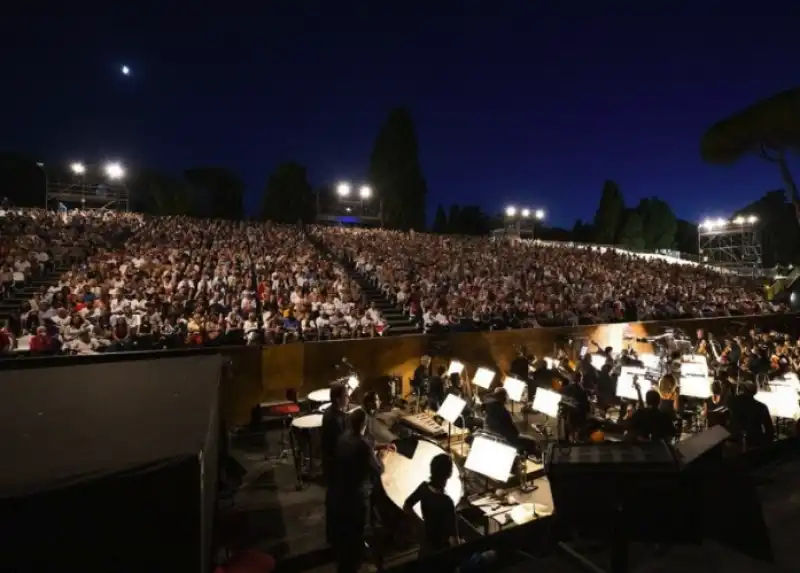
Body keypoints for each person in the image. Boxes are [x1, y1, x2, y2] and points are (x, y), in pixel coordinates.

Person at [327, 408, 386, 573]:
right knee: (359, 531)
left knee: (348, 531)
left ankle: (346, 561)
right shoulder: (363, 445)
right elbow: (378, 469)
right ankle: (356, 564)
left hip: (342, 492)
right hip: (358, 496)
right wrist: (380, 456)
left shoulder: (343, 438)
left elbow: (363, 448)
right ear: (363, 425)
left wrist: (379, 445)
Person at [403, 453, 460, 556]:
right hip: (441, 551)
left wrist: (420, 523)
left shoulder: (424, 488)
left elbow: (407, 505)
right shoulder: (447, 502)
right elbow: (453, 540)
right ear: (450, 474)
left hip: (426, 543)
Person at [727, 382, 774, 448]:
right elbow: (769, 430)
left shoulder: (732, 401)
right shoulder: (761, 407)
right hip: (754, 440)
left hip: (734, 439)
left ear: (744, 390)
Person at [321, 382, 349, 484]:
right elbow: (343, 445)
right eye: (345, 395)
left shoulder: (330, 411)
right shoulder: (335, 420)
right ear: (337, 399)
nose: (348, 397)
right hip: (335, 464)